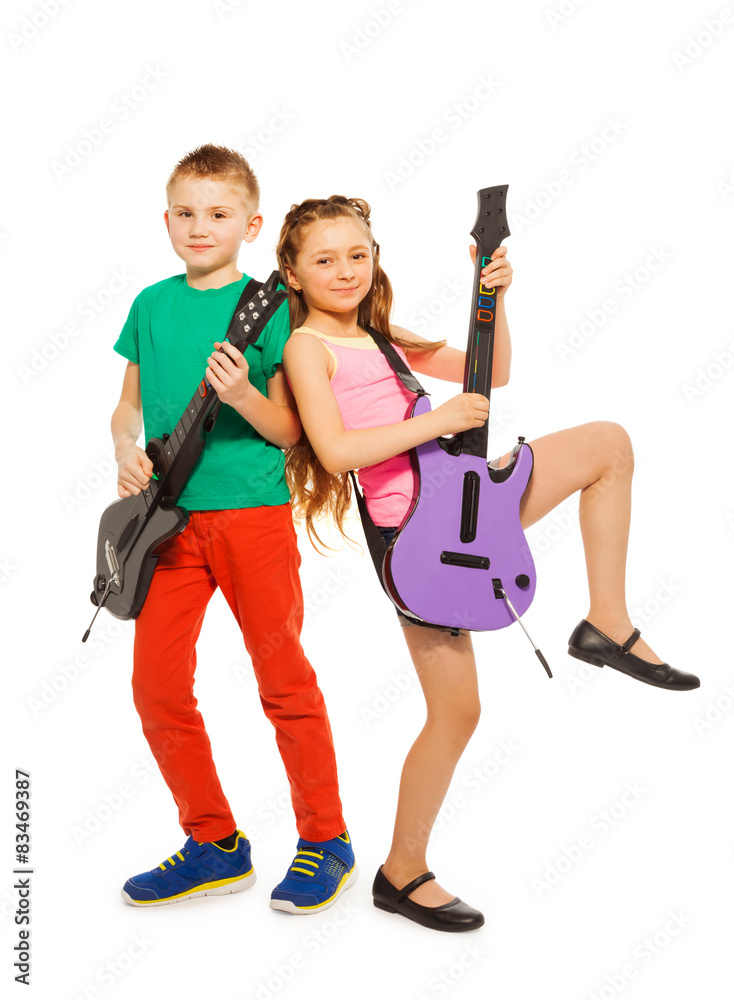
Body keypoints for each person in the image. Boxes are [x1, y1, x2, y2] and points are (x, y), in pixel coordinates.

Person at [276, 195, 700, 932]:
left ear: (375, 256)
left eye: (357, 254)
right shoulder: (306, 348)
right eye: (324, 259)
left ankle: (607, 622)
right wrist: (437, 420)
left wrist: (489, 293)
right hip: (418, 538)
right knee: (458, 711)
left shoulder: (380, 336)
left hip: (464, 494)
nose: (345, 270)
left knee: (608, 444)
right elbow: (337, 450)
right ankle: (402, 873)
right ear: (293, 270)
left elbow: (491, 370)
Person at [110, 147, 356, 913]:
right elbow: (127, 405)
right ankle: (214, 843)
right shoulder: (151, 304)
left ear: (250, 224)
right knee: (155, 687)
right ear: (166, 219)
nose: (198, 227)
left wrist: (244, 394)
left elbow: (292, 430)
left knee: (282, 680)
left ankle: (327, 840)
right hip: (166, 528)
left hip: (251, 519)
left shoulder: (271, 308)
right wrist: (125, 448)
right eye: (184, 212)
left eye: (217, 214)